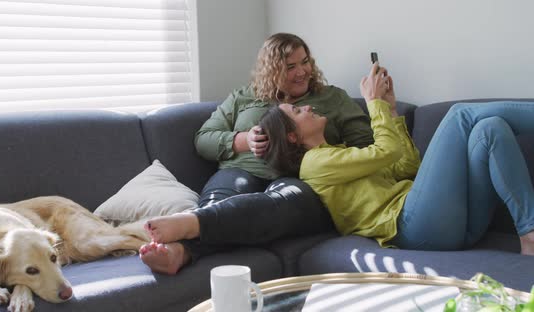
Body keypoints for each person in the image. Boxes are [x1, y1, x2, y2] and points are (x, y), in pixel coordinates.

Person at [139, 33, 375, 274]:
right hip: (241, 170)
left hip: (302, 178)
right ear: (271, 70)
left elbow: (366, 145)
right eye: (290, 67)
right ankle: (180, 249)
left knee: (284, 203)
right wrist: (243, 140)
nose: (302, 71)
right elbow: (203, 139)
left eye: (305, 62)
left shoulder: (332, 98)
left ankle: (188, 237)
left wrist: (324, 151)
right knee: (222, 198)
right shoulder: (244, 97)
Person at [258, 62, 534, 254]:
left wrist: (389, 110)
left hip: (455, 227)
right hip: (414, 229)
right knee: (459, 114)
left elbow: (407, 167)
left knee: (490, 128)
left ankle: (529, 233)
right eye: (296, 112)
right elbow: (386, 151)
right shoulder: (314, 165)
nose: (305, 107)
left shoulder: (339, 152)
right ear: (292, 137)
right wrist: (373, 103)